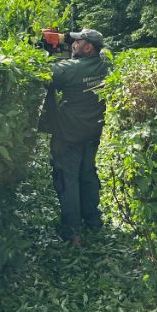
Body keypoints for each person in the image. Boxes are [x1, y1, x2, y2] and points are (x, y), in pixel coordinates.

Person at [39, 28, 111, 246]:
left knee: (66, 179)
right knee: (87, 175)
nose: (73, 44)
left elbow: (44, 74)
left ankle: (72, 231)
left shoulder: (70, 68)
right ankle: (92, 221)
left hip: (68, 135)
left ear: (88, 48)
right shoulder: (105, 64)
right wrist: (65, 41)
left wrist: (47, 50)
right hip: (92, 132)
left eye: (78, 42)